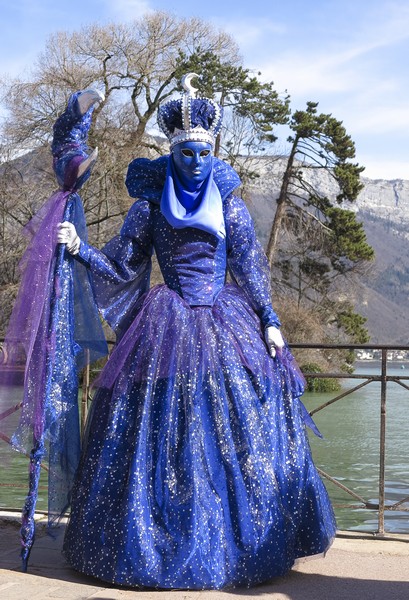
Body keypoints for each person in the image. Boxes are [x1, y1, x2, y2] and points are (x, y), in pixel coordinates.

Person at [56, 74, 336, 589]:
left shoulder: (229, 204)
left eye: (204, 152)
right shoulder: (149, 206)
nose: (197, 162)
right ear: (173, 153)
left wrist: (271, 321)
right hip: (165, 324)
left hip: (227, 325)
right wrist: (79, 247)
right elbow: (123, 267)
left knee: (234, 428)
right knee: (165, 433)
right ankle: (156, 538)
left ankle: (240, 540)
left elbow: (251, 269)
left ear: (214, 152)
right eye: (186, 153)